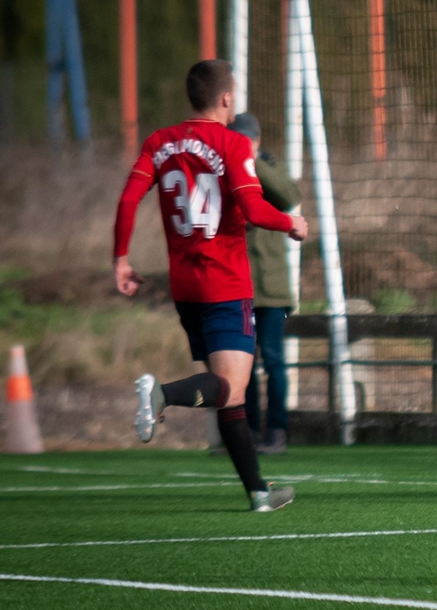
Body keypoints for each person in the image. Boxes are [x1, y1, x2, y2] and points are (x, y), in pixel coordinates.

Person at [112, 59, 309, 512]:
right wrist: (292, 224)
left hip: (186, 289)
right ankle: (161, 394)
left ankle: (258, 492)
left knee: (227, 392)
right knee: (228, 386)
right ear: (225, 98)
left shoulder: (158, 142)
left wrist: (121, 259)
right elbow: (255, 209)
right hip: (225, 284)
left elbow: (128, 197)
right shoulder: (233, 142)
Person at [228, 112, 302, 455]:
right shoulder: (224, 168)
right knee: (243, 363)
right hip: (237, 285)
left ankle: (277, 431)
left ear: (255, 141)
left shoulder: (268, 166)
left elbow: (289, 196)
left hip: (270, 288)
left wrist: (253, 162)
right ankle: (249, 433)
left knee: (273, 360)